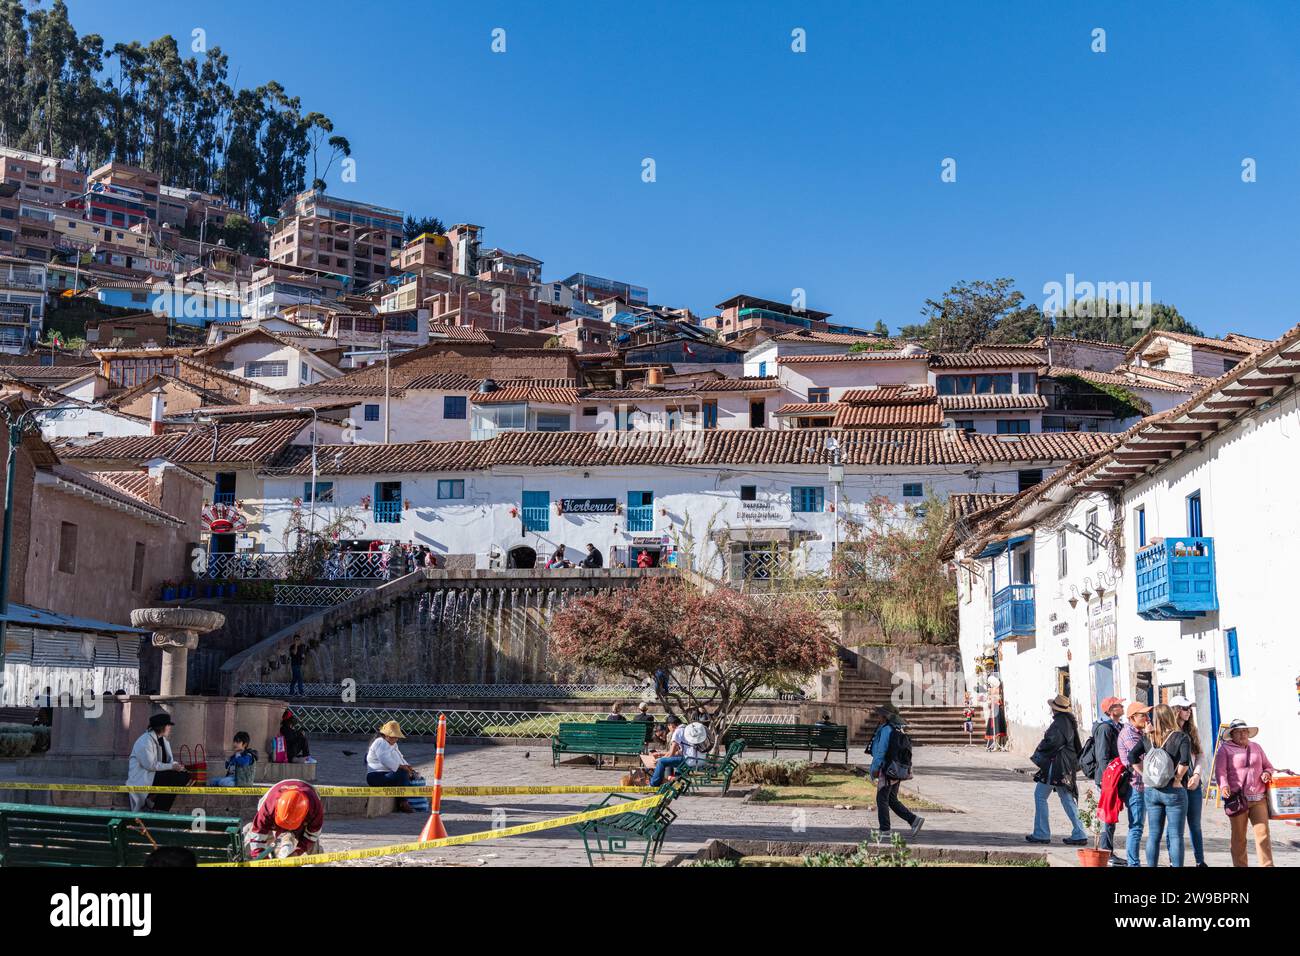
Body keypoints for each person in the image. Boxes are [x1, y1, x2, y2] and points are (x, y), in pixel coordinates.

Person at [1126, 703, 1190, 867]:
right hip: (1173, 791)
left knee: (1154, 834)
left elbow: (1132, 756)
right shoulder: (1181, 737)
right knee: (1176, 835)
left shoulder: (1148, 737)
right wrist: (1177, 779)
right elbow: (1184, 761)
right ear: (1171, 716)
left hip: (1152, 790)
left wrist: (1144, 775)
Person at [1213, 717, 1278, 867]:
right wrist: (1223, 786)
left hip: (1259, 799)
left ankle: (1267, 865)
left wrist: (1267, 773)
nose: (1243, 735)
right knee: (1239, 838)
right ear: (1232, 734)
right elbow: (1220, 772)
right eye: (1238, 732)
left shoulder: (1256, 747)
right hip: (1238, 800)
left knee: (1263, 836)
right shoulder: (1225, 750)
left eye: (1245, 731)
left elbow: (1268, 766)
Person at [1027, 695, 1087, 846]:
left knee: (1040, 796)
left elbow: (1052, 743)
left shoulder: (1060, 723)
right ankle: (1079, 832)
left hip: (1056, 766)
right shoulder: (1068, 722)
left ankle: (1042, 833)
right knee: (1066, 798)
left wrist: (1041, 747)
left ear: (1055, 709)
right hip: (1065, 766)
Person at [869, 703, 924, 839]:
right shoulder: (897, 729)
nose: (878, 716)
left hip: (886, 769)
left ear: (886, 717)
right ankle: (913, 820)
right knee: (891, 799)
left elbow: (881, 751)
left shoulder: (887, 730)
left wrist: (875, 769)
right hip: (896, 769)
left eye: (880, 714)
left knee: (882, 798)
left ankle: (885, 829)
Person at [244, 779, 324, 859]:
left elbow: (311, 836)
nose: (287, 829)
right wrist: (263, 860)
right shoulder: (268, 808)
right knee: (254, 843)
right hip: (271, 807)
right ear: (276, 811)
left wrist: (297, 852)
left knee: (313, 849)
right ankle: (249, 832)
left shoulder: (315, 809)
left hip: (303, 819)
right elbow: (257, 837)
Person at [1170, 695, 1207, 867]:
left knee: (1195, 825)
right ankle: (1173, 861)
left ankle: (1200, 861)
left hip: (1193, 782)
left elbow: (1199, 755)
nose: (1189, 711)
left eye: (1189, 708)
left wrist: (1197, 775)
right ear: (1175, 710)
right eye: (1185, 708)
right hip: (1174, 784)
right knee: (1174, 828)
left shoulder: (1192, 730)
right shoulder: (1167, 731)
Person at [127, 713, 189, 812]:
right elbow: (150, 765)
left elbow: (168, 761)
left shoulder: (164, 741)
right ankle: (158, 807)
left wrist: (177, 766)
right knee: (175, 777)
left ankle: (157, 804)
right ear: (162, 727)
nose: (170, 728)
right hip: (145, 776)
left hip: (156, 774)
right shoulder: (145, 741)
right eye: (168, 726)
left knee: (184, 775)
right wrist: (172, 767)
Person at [1089, 696, 1126, 859]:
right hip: (1108, 777)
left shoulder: (1119, 726)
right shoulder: (1105, 728)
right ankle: (1106, 851)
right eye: (1118, 705)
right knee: (1108, 815)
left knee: (1112, 814)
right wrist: (1108, 779)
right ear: (1111, 710)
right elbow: (1102, 756)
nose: (1122, 706)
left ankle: (1107, 850)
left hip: (1117, 775)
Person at [1116, 702, 1151, 867]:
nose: (1146, 718)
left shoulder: (1140, 732)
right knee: (1136, 826)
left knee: (1141, 826)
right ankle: (1133, 863)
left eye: (1146, 714)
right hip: (1135, 785)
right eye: (1142, 715)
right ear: (1131, 718)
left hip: (1144, 784)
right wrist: (1148, 737)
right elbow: (1142, 757)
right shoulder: (1129, 734)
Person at [366, 720, 419, 813]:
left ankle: (409, 800)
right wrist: (402, 767)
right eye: (394, 737)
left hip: (388, 774)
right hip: (375, 776)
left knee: (412, 775)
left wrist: (408, 766)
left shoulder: (393, 744)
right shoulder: (380, 742)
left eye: (397, 737)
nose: (396, 739)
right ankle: (403, 802)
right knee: (403, 774)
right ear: (386, 735)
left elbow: (399, 757)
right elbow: (384, 759)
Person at [648, 716, 706, 786]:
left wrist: (659, 759)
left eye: (668, 726)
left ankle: (653, 784)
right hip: (700, 760)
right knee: (666, 761)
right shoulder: (687, 729)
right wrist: (660, 755)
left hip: (689, 760)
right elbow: (678, 752)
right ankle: (673, 780)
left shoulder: (678, 731)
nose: (668, 729)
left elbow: (671, 753)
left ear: (671, 724)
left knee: (661, 762)